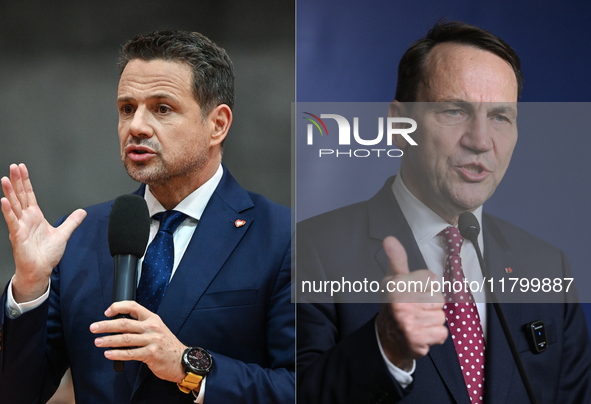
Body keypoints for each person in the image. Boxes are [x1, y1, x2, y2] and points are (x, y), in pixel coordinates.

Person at [296, 21, 591, 403]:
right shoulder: (311, 250)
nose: (481, 141)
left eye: (500, 117)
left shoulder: (549, 268)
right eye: (454, 111)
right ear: (400, 125)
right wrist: (384, 347)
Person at [0, 30, 293, 403]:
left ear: (217, 124)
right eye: (127, 108)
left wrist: (189, 365)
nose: (136, 126)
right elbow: (16, 393)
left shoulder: (282, 238)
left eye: (162, 108)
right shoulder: (79, 237)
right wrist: (29, 288)